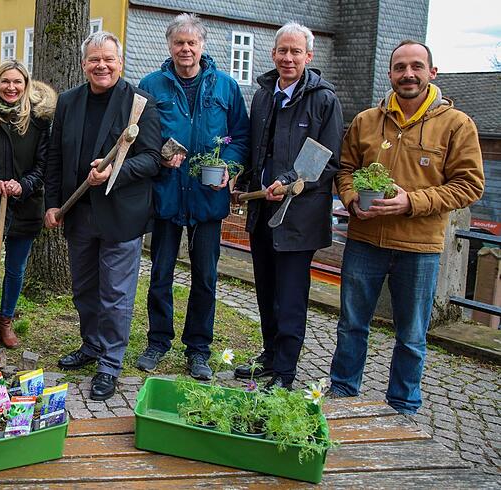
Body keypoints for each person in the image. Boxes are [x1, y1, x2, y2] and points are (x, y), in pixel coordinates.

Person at [328, 40, 484, 414]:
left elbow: (469, 185)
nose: (408, 74)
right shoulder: (367, 121)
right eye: (400, 67)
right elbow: (345, 169)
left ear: (433, 73)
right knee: (351, 325)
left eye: (416, 66)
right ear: (391, 74)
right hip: (365, 240)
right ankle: (342, 394)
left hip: (418, 247)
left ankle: (403, 407)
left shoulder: (456, 124)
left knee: (411, 336)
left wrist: (410, 201)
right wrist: (350, 199)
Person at [45, 31, 162, 401]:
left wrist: (114, 172)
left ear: (120, 62)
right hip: (79, 213)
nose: (102, 66)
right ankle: (91, 346)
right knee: (84, 289)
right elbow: (54, 158)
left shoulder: (139, 104)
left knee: (115, 294)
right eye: (95, 59)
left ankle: (109, 365)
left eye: (108, 59)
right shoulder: (68, 102)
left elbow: (152, 158)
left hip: (121, 216)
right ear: (84, 64)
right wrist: (52, 203)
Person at [136, 13, 250, 379]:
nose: (186, 49)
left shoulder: (225, 87)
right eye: (179, 43)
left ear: (202, 46)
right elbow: (138, 136)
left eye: (192, 43)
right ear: (169, 46)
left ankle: (198, 349)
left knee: (205, 277)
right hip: (167, 196)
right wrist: (160, 157)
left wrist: (229, 168)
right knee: (161, 274)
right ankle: (158, 341)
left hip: (207, 198)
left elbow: (240, 137)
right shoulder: (152, 85)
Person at [233, 22, 342, 390]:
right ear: (273, 54)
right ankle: (269, 354)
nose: (288, 58)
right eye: (283, 50)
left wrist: (292, 180)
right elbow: (256, 150)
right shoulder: (264, 95)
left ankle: (285, 371)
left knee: (291, 297)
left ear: (309, 57)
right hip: (263, 210)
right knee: (265, 289)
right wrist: (242, 179)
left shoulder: (324, 99)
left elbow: (327, 161)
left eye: (296, 52)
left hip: (299, 217)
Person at [0, 60, 54, 356]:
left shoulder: (39, 120)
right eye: (5, 81)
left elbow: (44, 165)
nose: (11, 87)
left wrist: (23, 185)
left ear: (26, 85)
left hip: (25, 203)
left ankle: (5, 320)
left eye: (17, 82)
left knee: (15, 267)